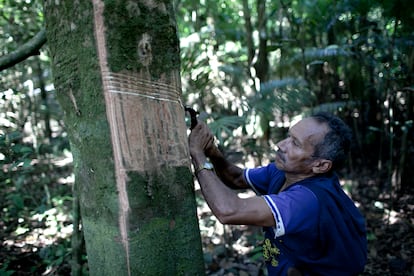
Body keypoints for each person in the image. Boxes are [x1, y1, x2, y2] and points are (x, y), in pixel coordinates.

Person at [188, 112, 367, 276]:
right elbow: (235, 178)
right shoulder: (284, 172)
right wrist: (211, 151)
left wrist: (197, 155)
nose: (281, 145)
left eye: (295, 143)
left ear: (320, 165)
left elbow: (229, 210)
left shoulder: (308, 200)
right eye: (289, 137)